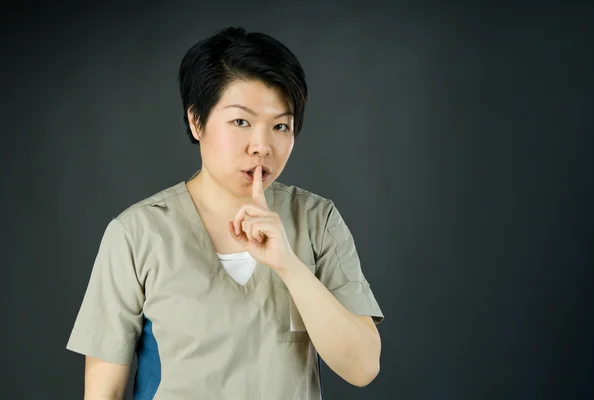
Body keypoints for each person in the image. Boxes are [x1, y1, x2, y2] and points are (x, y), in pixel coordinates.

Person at [66, 26, 385, 399]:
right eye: (241, 122)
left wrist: (289, 266)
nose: (262, 146)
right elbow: (104, 392)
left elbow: (363, 368)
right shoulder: (137, 234)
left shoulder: (317, 221)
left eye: (280, 126)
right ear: (196, 121)